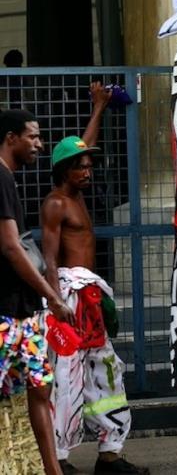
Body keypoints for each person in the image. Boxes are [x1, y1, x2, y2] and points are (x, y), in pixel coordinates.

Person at [41, 84, 148, 475]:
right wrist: (55, 302)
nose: (87, 170)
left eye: (89, 165)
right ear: (63, 172)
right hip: (68, 297)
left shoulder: (77, 192)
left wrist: (99, 107)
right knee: (65, 378)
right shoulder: (56, 202)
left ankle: (110, 454)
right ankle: (60, 458)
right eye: (79, 167)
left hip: (88, 297)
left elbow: (81, 144)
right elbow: (49, 257)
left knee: (104, 369)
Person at [0, 108, 75, 475]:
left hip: (21, 315)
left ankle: (51, 470)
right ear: (10, 138)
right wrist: (53, 295)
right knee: (35, 390)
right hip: (5, 317)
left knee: (39, 389)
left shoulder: (8, 178)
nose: (39, 145)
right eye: (33, 136)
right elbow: (11, 246)